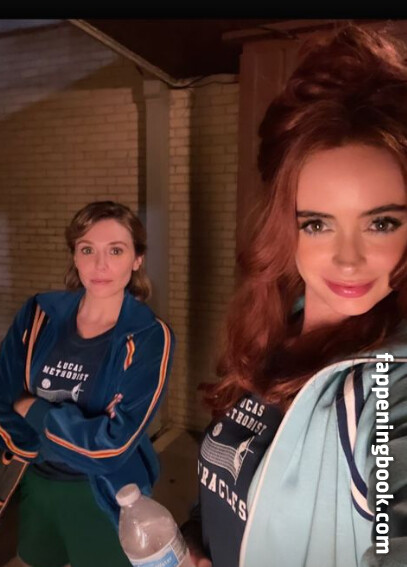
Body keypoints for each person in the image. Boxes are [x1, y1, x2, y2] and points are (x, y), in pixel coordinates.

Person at [182, 25, 407, 567]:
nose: (348, 259)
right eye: (317, 224)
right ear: (285, 229)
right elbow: (237, 486)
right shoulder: (272, 336)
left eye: (380, 223)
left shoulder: (389, 392)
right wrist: (196, 540)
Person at [0, 200, 175, 567]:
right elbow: (3, 391)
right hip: (36, 480)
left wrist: (33, 408)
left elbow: (112, 446)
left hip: (102, 493)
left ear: (137, 259)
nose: (100, 265)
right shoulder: (39, 314)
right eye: (87, 250)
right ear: (74, 256)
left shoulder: (147, 336)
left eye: (116, 250)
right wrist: (70, 429)